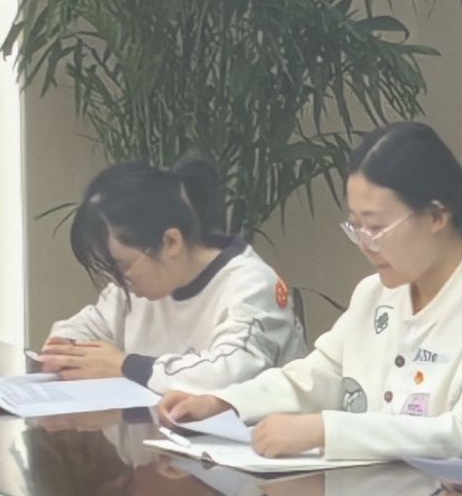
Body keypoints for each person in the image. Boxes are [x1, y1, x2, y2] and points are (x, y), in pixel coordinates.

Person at [158, 120, 462, 462]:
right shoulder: (376, 294)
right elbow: (320, 374)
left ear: (436, 216)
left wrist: (325, 430)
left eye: (376, 226)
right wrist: (225, 403)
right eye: (356, 226)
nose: (365, 243)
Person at [33, 155, 299, 393]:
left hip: (250, 432)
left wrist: (126, 366)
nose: (119, 282)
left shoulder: (251, 284)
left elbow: (231, 373)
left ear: (171, 242)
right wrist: (65, 353)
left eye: (123, 265)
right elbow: (83, 328)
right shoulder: (132, 289)